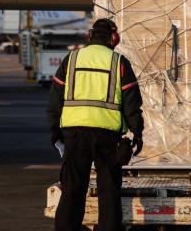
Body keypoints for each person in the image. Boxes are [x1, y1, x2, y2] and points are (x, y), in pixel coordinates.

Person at [48, 18, 145, 231]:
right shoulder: (118, 62)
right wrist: (137, 132)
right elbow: (131, 102)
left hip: (74, 134)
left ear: (90, 36)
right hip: (107, 136)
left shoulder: (72, 59)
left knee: (72, 190)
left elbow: (55, 97)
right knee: (109, 192)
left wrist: (55, 130)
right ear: (114, 38)